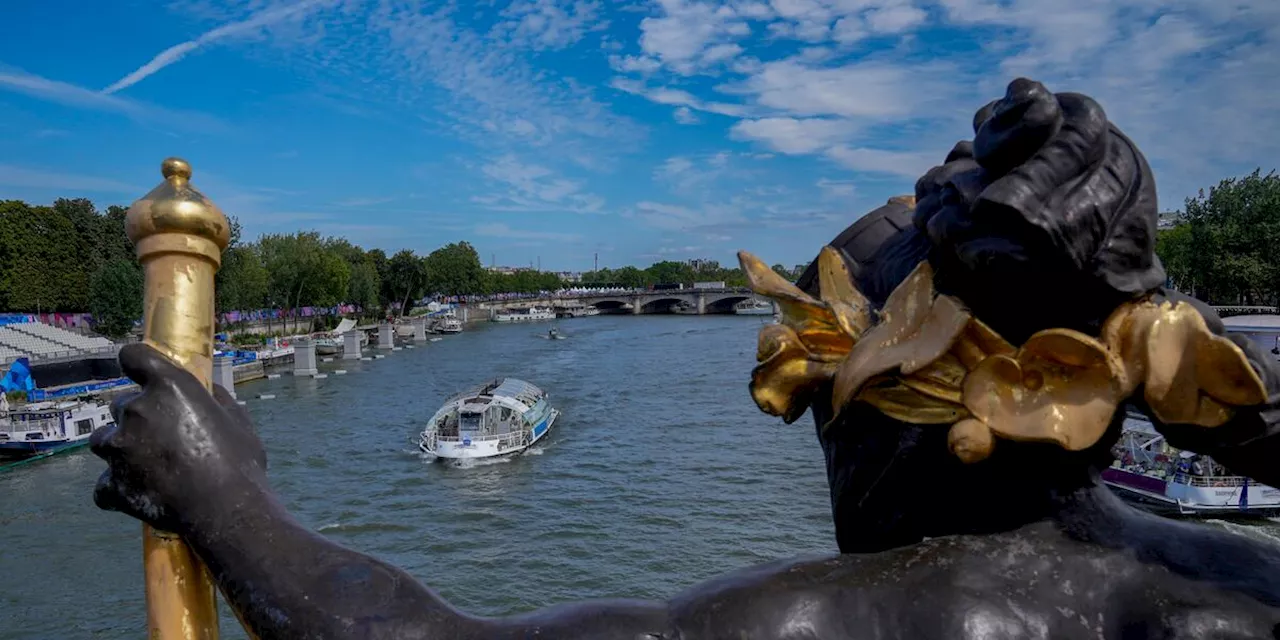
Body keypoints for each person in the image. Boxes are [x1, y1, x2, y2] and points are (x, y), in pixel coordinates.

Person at [91, 79, 1280, 639]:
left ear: (908, 378)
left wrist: (219, 493)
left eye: (808, 365)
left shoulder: (881, 617)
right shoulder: (1226, 578)